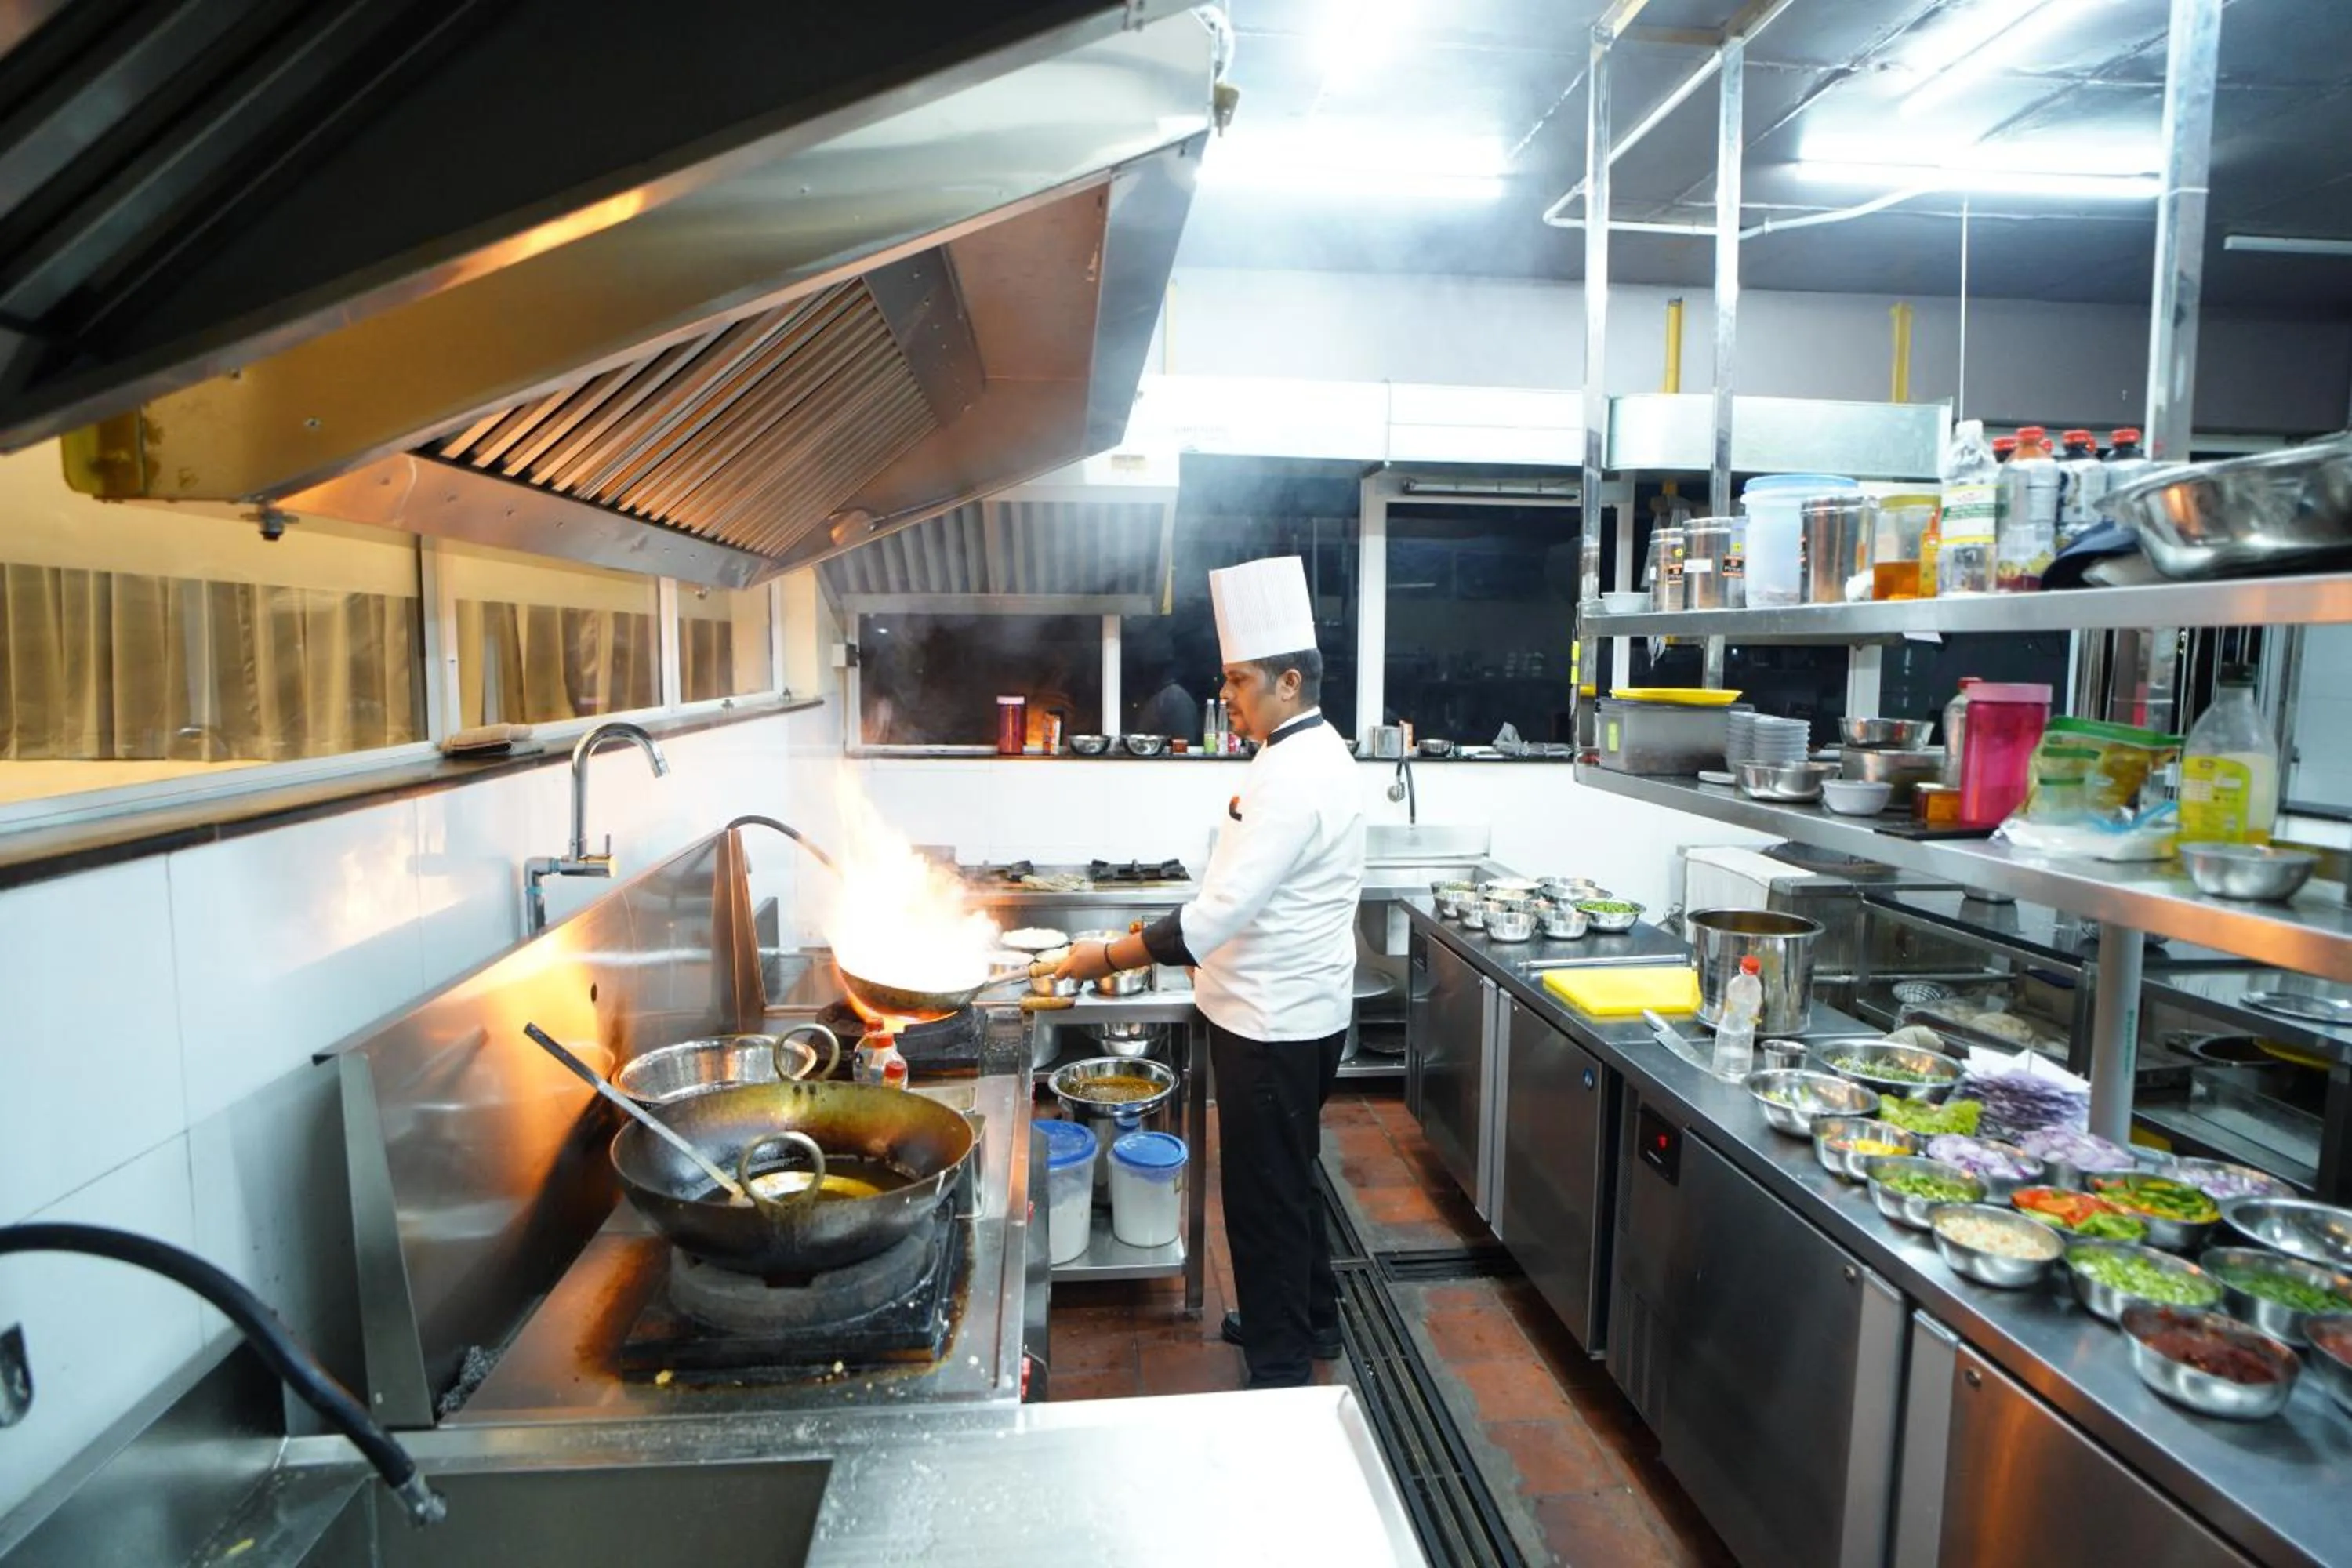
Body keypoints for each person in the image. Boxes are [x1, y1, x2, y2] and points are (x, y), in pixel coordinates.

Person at [1056, 556, 1365, 1388]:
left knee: (1265, 1199)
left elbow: (1218, 914)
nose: (1226, 693)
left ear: (1289, 681)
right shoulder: (1297, 753)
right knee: (1289, 1179)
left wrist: (1106, 955)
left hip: (1272, 1019)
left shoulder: (1296, 775)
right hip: (1292, 1009)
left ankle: (1277, 1366)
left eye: (1239, 679)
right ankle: (1305, 1318)